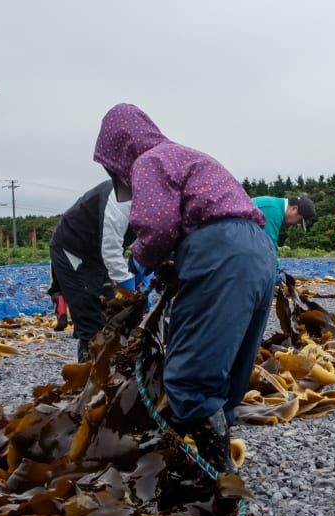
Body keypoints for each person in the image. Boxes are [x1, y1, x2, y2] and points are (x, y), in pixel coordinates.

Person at [93, 102, 275, 476]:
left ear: (119, 150)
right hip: (258, 252)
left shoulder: (148, 161)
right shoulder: (184, 155)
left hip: (220, 253)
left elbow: (158, 225)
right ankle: (209, 455)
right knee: (226, 366)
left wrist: (141, 260)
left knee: (191, 377)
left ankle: (218, 476)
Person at [49, 179, 136, 362]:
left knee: (108, 306)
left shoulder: (156, 201)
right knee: (89, 309)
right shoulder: (119, 199)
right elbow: (111, 250)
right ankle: (89, 369)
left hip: (99, 253)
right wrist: (128, 288)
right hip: (72, 249)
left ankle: (112, 363)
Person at [251, 194, 316, 276]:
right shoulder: (273, 210)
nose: (296, 224)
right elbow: (268, 245)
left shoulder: (276, 206)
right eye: (299, 221)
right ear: (294, 208)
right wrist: (275, 270)